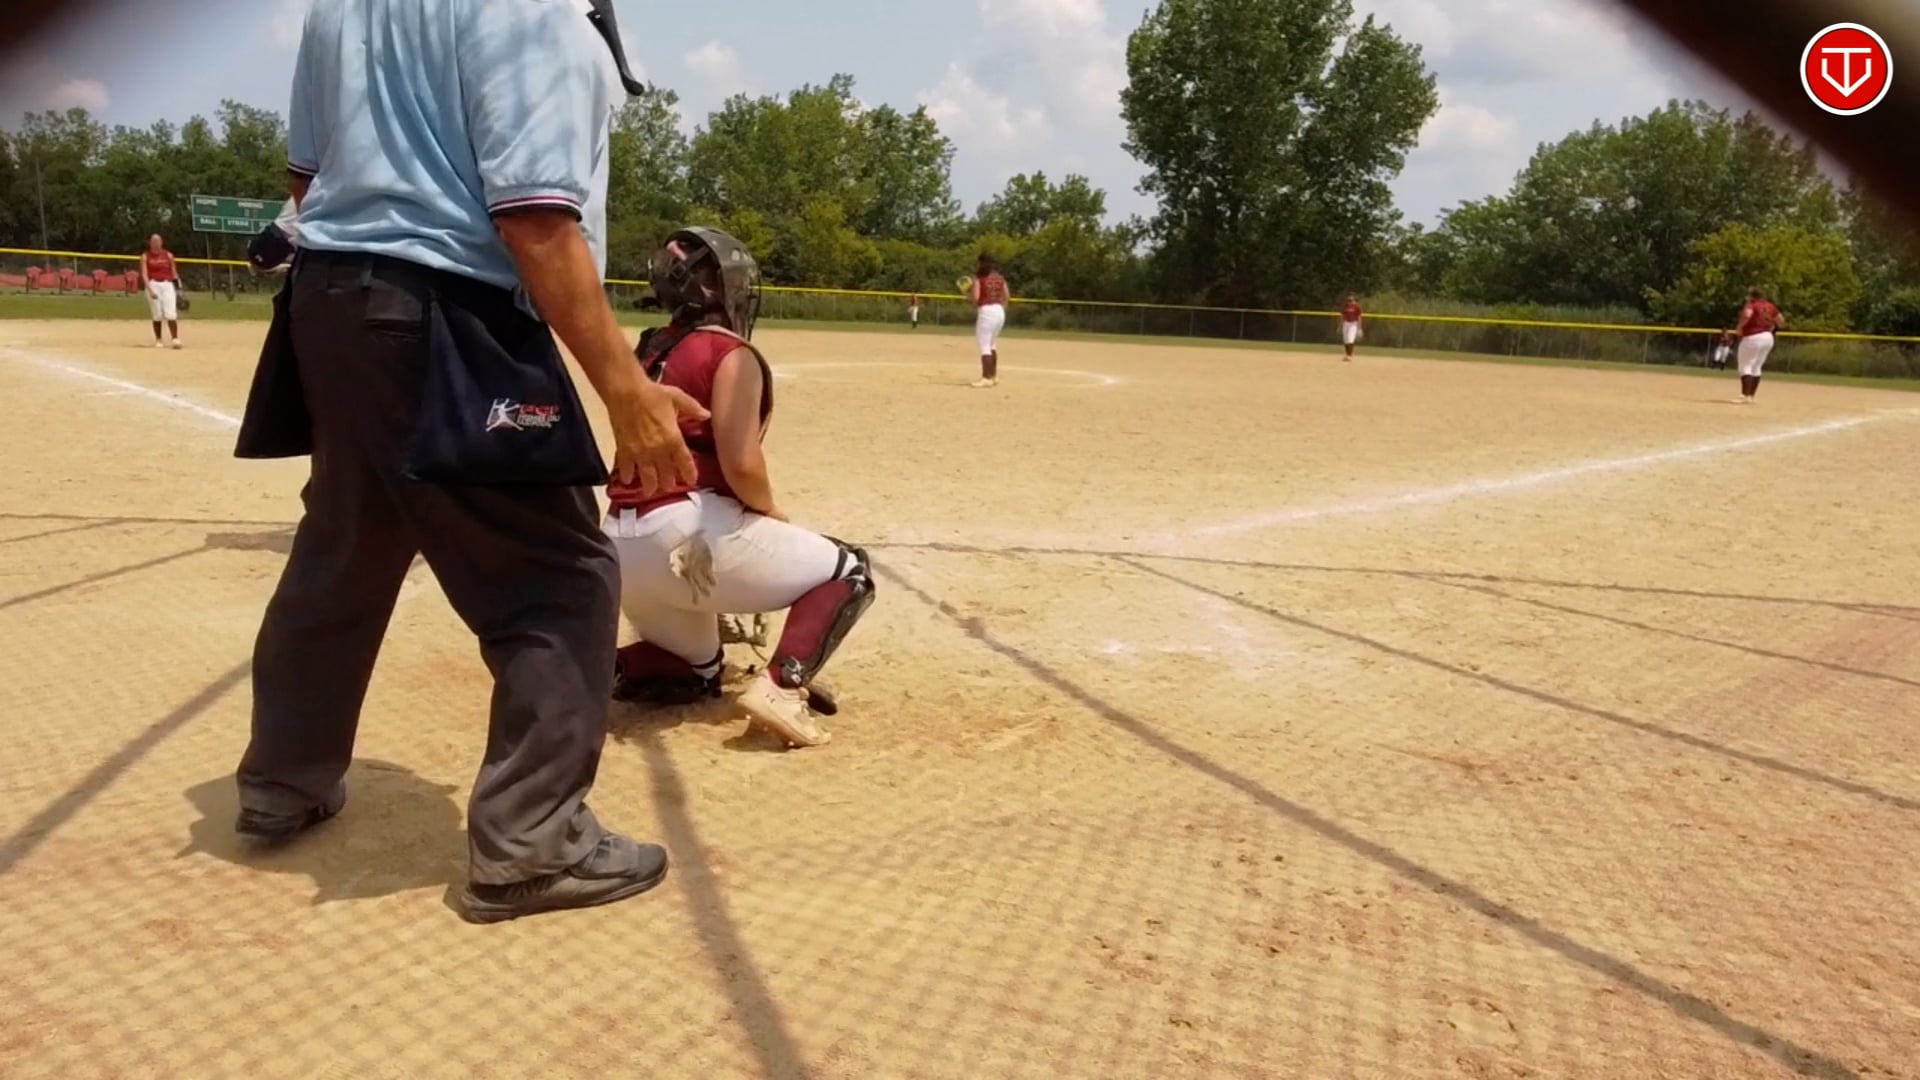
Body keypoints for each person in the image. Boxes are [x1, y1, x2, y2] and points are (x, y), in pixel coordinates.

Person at [236, 0, 704, 924]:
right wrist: (627, 393)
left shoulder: (341, 7)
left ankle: (283, 781)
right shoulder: (534, 14)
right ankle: (533, 843)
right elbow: (534, 220)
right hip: (448, 311)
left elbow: (304, 178)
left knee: (347, 548)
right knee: (560, 580)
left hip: (329, 302)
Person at [608, 227, 875, 749]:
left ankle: (591, 666)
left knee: (698, 673)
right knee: (850, 569)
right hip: (686, 528)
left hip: (620, 542)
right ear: (714, 288)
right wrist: (768, 510)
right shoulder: (729, 351)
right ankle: (782, 688)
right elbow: (741, 463)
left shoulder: (648, 348)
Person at [1733, 288, 1784, 403]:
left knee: (1745, 366)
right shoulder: (1770, 306)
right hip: (1768, 336)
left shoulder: (1752, 304)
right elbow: (1781, 320)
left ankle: (1744, 395)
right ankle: (1751, 396)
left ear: (1751, 296)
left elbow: (1747, 315)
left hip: (1753, 336)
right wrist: (1775, 328)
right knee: (1757, 366)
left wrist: (1740, 327)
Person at [968, 254, 1009, 388]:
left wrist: (968, 294)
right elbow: (1006, 295)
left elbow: (976, 299)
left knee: (984, 345)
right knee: (992, 344)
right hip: (999, 310)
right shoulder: (1000, 278)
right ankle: (993, 376)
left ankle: (986, 378)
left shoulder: (979, 279)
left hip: (987, 311)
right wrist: (1001, 308)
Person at [140, 234, 182, 349]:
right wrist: (150, 290)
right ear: (150, 243)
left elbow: (174, 273)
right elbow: (144, 274)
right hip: (153, 284)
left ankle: (175, 339)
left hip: (167, 284)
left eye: (158, 241)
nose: (156, 243)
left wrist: (179, 288)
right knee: (157, 314)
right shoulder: (145, 256)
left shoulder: (168, 255)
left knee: (171, 313)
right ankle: (159, 339)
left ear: (161, 242)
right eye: (153, 241)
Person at [1338, 293, 1364, 361]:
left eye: (1351, 300)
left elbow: (1359, 317)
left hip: (1353, 324)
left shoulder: (1357, 307)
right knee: (1345, 340)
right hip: (1345, 324)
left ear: (1354, 300)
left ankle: (1349, 355)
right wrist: (1340, 326)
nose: (1349, 302)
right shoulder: (1345, 306)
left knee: (1350, 339)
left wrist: (1359, 328)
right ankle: (1347, 355)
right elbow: (1342, 316)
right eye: (1348, 300)